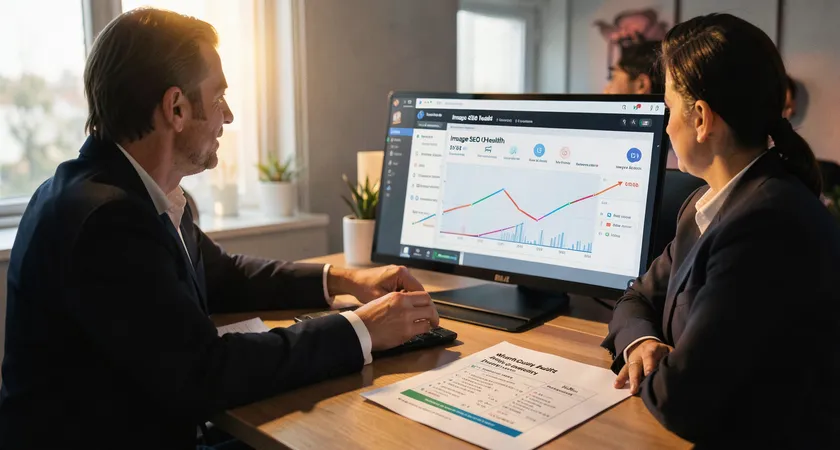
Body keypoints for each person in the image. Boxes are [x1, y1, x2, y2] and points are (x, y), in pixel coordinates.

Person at [0, 8, 439, 449]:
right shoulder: (104, 220)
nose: (227, 116)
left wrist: (344, 278)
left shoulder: (139, 191)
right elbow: (205, 373)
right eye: (218, 98)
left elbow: (225, 274)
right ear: (176, 108)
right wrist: (359, 328)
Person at [601, 14, 840, 447]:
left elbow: (682, 399)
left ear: (700, 119)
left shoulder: (765, 224)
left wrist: (655, 371)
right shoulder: (707, 203)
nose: (666, 123)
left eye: (670, 107)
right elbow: (636, 298)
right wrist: (642, 341)